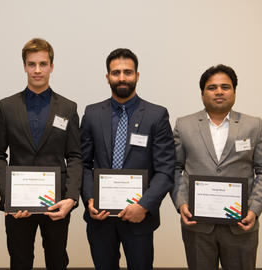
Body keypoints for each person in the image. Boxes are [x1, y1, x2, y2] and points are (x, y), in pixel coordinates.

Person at [0, 38, 82, 270]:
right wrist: (8, 194)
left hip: (57, 203)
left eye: (43, 64)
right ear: (24, 66)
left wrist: (71, 198)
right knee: (20, 261)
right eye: (32, 64)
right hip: (18, 204)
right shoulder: (6, 106)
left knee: (57, 260)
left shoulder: (68, 108)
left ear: (52, 66)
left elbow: (75, 156)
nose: (37, 70)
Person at [80, 48, 175, 270]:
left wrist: (144, 205)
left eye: (128, 72)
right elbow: (83, 164)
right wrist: (90, 199)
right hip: (100, 218)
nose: (122, 78)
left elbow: (165, 169)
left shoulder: (156, 115)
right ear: (107, 77)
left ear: (137, 76)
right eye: (116, 73)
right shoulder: (92, 113)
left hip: (139, 218)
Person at [172, 64, 262, 270]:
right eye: (212, 87)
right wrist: (181, 203)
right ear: (202, 94)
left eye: (225, 87)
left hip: (241, 224)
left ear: (234, 91)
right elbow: (175, 168)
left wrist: (255, 210)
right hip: (198, 226)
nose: (219, 91)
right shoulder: (184, 125)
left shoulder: (254, 125)